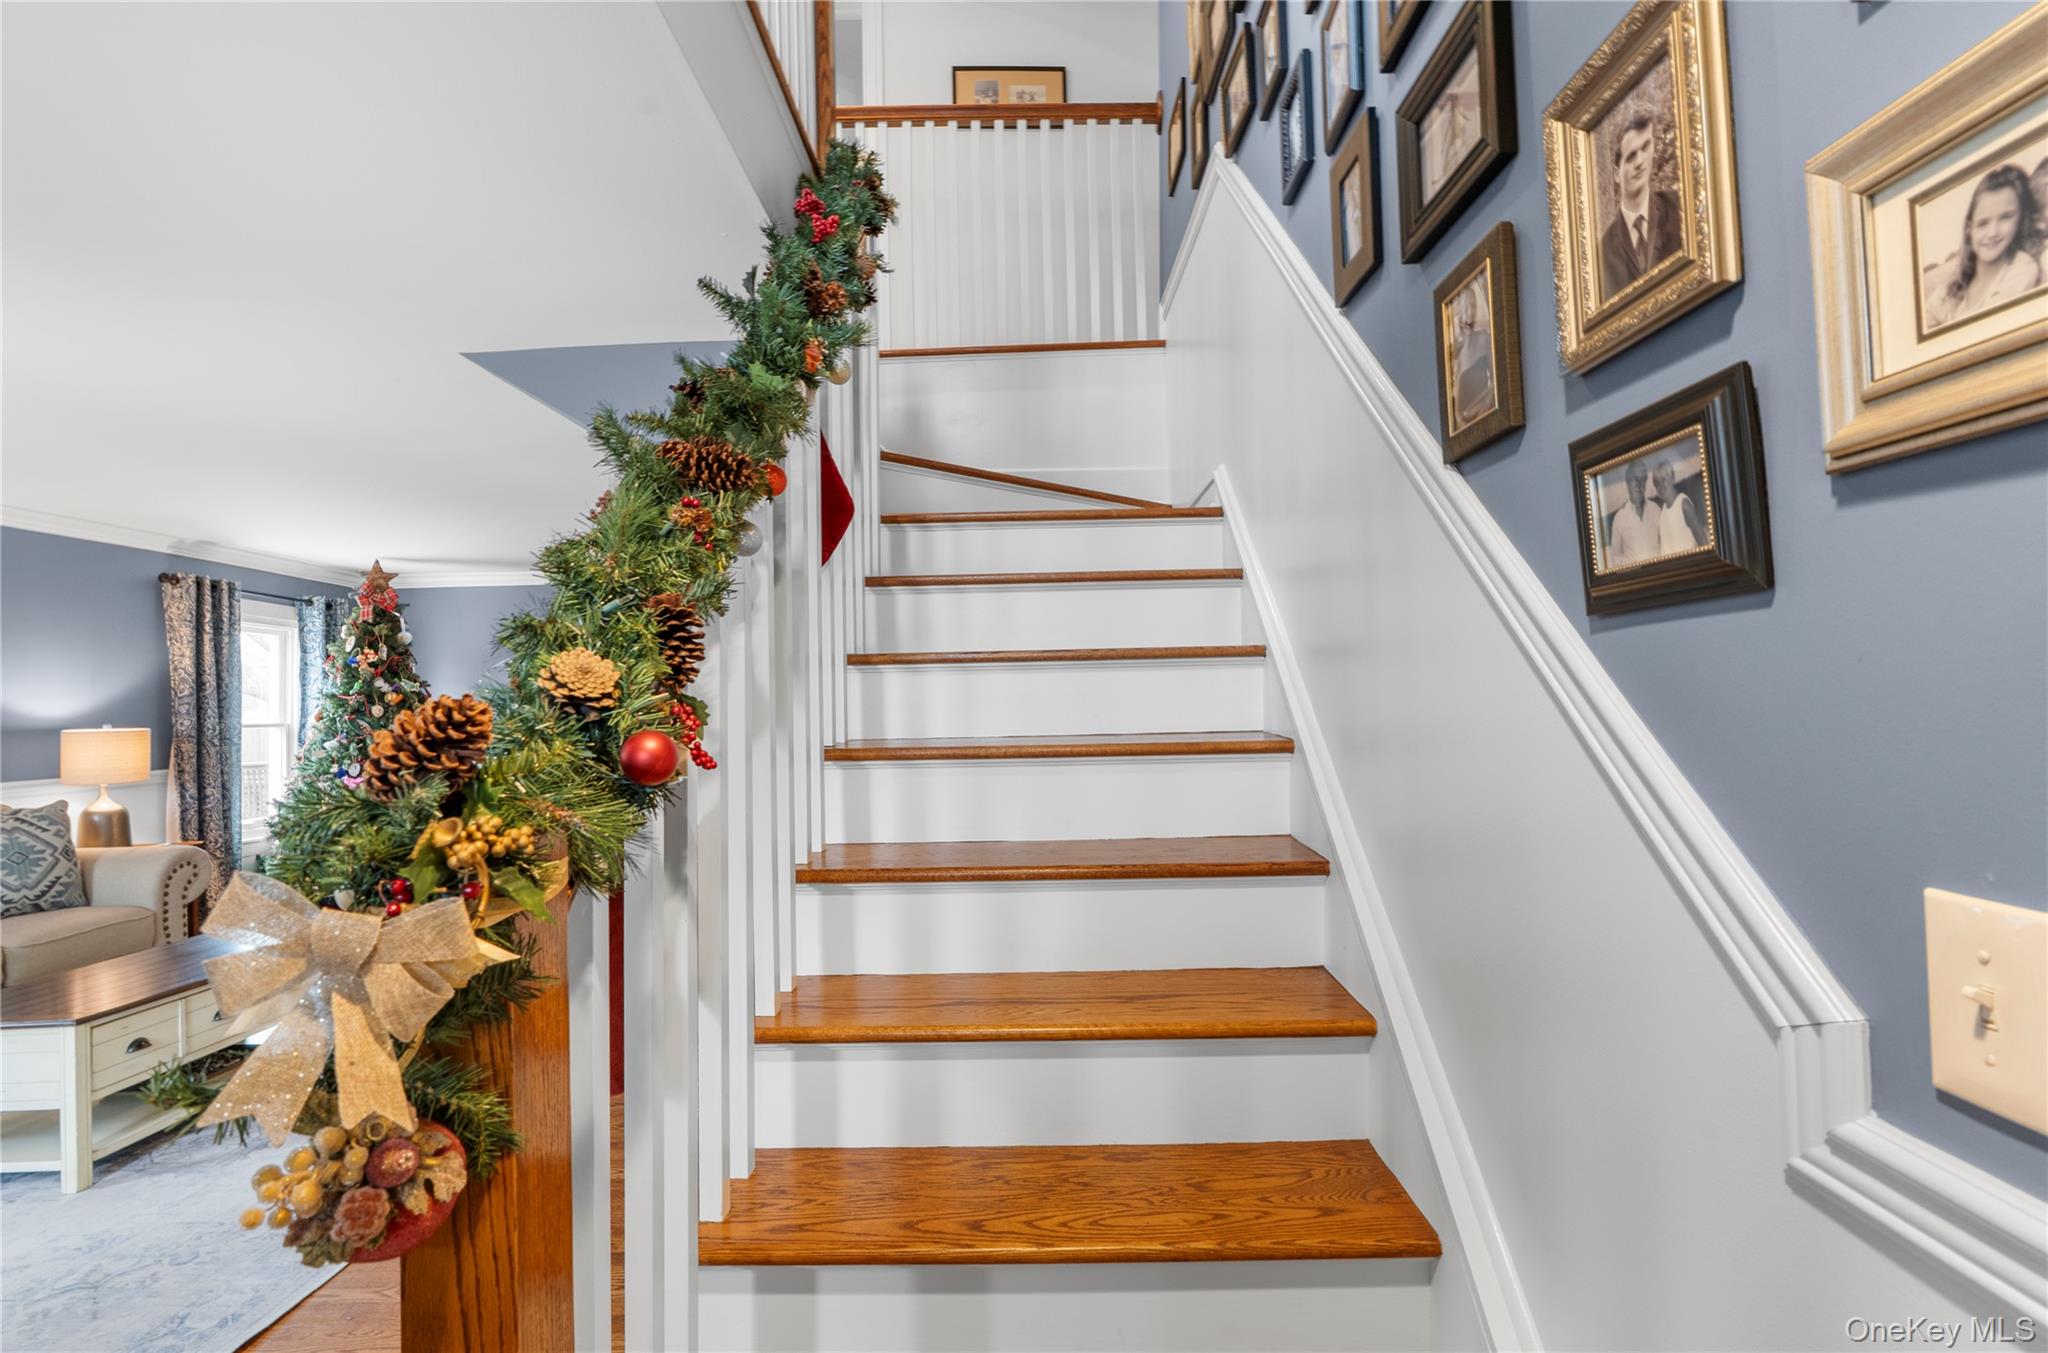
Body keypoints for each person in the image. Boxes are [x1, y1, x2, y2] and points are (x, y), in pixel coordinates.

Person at [1924, 163, 2041, 329]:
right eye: (1983, 223)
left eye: (2006, 217)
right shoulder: (1949, 291)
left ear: (2020, 220)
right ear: (1969, 229)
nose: (1993, 232)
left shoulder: (2022, 268)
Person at [1598, 109, 1684, 300]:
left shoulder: (1679, 208)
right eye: (1630, 156)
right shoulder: (1603, 251)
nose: (1640, 162)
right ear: (1615, 173)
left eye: (1645, 147)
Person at [1605, 458, 1661, 569]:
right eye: (1636, 479)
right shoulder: (1619, 518)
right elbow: (1615, 559)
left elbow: (1665, 544)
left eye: (1643, 479)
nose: (1639, 484)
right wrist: (1636, 567)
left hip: (1659, 574)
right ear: (1627, 482)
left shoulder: (1656, 509)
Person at [1652, 459, 1704, 554]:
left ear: (1672, 478)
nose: (1660, 486)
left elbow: (1703, 542)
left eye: (1663, 480)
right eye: (1657, 483)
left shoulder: (1683, 504)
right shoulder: (1662, 512)